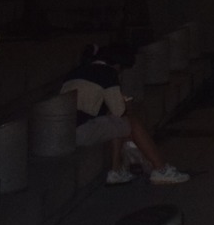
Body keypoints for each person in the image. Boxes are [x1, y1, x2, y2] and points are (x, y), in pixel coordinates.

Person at [61, 43, 189, 184]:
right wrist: (127, 105)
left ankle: (116, 171)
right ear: (117, 65)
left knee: (117, 123)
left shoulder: (76, 72)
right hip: (81, 129)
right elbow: (119, 111)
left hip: (65, 130)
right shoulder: (107, 73)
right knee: (131, 122)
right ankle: (160, 168)